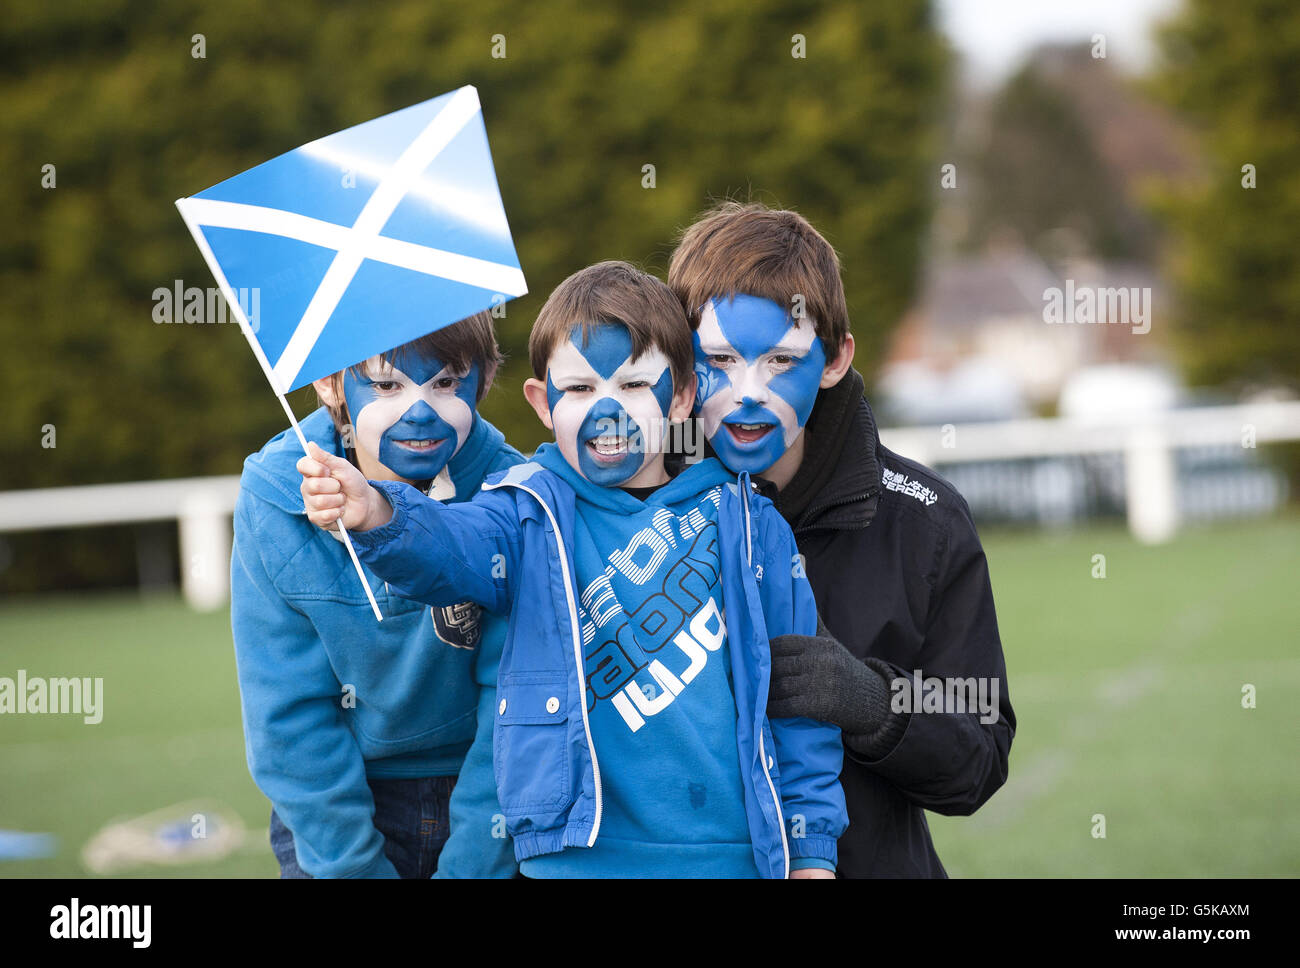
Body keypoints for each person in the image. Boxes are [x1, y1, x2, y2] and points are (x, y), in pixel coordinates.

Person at [299, 261, 847, 878]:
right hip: (573, 860)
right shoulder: (523, 513)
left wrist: (811, 853)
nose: (606, 411)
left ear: (685, 395)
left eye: (636, 385)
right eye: (580, 390)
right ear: (541, 402)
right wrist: (375, 509)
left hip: (730, 859)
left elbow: (801, 712)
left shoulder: (751, 526)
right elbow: (448, 547)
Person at [667, 202, 1015, 877]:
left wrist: (873, 704)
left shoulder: (926, 523)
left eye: (781, 360)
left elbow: (979, 763)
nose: (747, 392)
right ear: (680, 360)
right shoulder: (627, 504)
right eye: (718, 358)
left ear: (833, 360)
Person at [230, 310, 522, 878]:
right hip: (337, 807)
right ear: (330, 383)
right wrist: (353, 868)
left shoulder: (514, 494)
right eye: (387, 384)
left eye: (445, 382)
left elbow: (514, 714)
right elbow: (288, 719)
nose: (419, 410)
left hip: (484, 798)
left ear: (484, 378)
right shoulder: (272, 496)